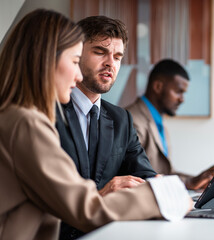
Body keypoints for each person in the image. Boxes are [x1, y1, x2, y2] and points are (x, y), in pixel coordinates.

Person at [0, 9, 191, 240]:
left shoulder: (12, 116)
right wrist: (161, 197)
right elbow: (86, 208)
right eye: (75, 61)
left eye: (118, 57)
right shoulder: (27, 122)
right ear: (46, 60)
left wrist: (161, 186)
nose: (77, 76)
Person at [54, 16, 159, 239]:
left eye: (118, 56)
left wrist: (164, 188)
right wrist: (101, 195)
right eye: (100, 52)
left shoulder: (122, 119)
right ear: (76, 53)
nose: (111, 63)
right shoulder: (47, 111)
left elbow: (146, 176)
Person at [126, 59, 214, 190]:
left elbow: (166, 173)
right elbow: (134, 178)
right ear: (158, 87)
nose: (182, 99)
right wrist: (187, 183)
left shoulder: (158, 122)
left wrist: (196, 180)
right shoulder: (131, 119)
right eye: (178, 91)